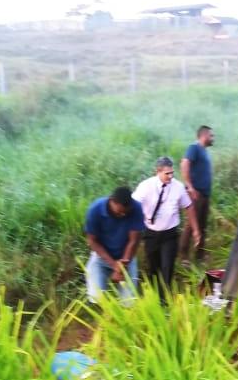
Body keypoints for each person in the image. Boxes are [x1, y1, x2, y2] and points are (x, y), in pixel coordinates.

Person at [133, 157, 201, 296]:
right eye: (167, 173)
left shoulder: (178, 187)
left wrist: (196, 230)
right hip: (151, 233)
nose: (170, 176)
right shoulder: (145, 186)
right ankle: (154, 296)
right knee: (153, 267)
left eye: (172, 173)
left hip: (169, 234)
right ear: (157, 172)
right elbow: (134, 206)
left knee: (167, 267)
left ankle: (164, 300)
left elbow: (189, 207)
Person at [84, 187, 145, 303]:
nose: (123, 215)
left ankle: (125, 318)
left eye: (126, 213)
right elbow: (92, 241)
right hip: (101, 257)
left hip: (126, 258)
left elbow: (133, 241)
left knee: (129, 300)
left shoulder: (136, 208)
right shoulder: (95, 210)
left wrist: (123, 265)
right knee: (96, 297)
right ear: (112, 201)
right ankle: (102, 318)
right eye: (120, 212)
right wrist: (114, 265)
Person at [179, 125, 214, 264]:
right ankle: (183, 256)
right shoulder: (194, 148)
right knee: (190, 225)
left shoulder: (204, 151)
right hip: (196, 194)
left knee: (202, 225)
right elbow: (184, 163)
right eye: (211, 135)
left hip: (205, 194)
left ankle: (200, 255)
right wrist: (190, 186)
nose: (213, 138)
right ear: (204, 135)